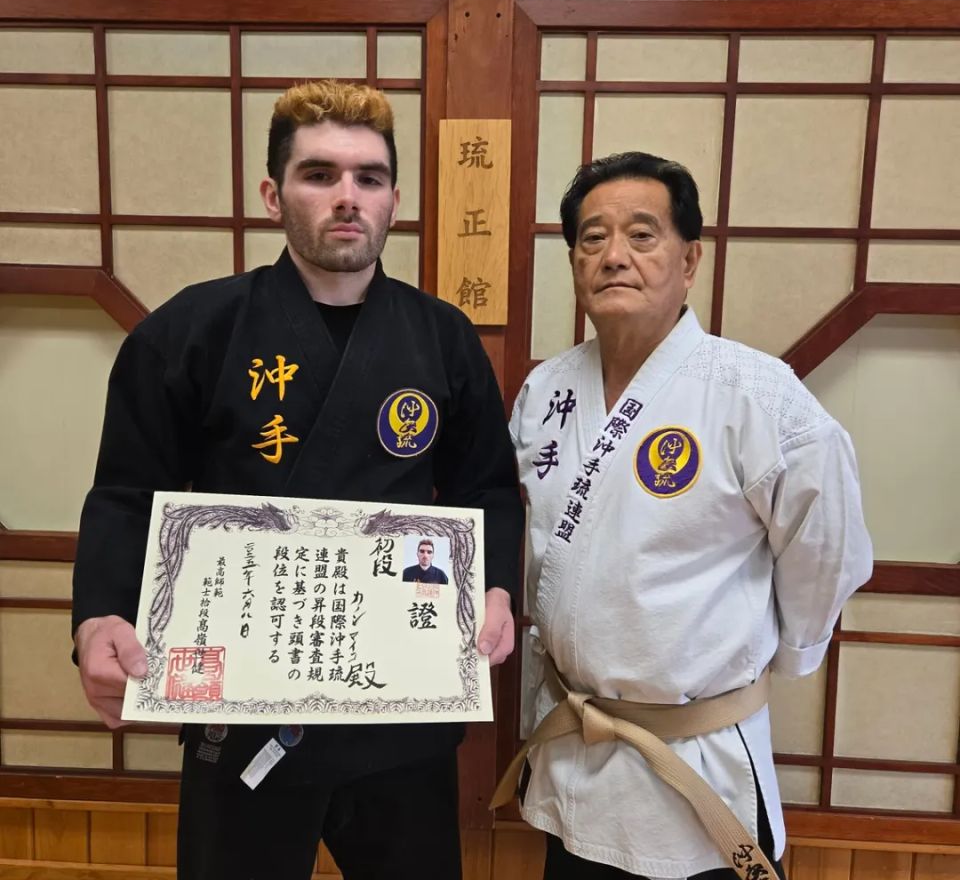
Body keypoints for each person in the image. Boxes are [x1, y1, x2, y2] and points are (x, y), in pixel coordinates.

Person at [72, 80, 523, 880]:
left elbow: (485, 487)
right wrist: (99, 616)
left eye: (369, 178)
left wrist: (493, 589)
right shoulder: (192, 330)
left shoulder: (442, 337)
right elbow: (128, 492)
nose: (347, 197)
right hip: (241, 712)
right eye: (319, 174)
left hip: (399, 714)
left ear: (393, 202)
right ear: (273, 195)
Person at [502, 152, 873, 879]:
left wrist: (792, 653)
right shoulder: (546, 392)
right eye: (592, 238)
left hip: (698, 759)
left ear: (690, 260)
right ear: (574, 261)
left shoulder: (756, 395)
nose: (614, 256)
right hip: (575, 752)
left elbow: (827, 548)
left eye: (642, 235)